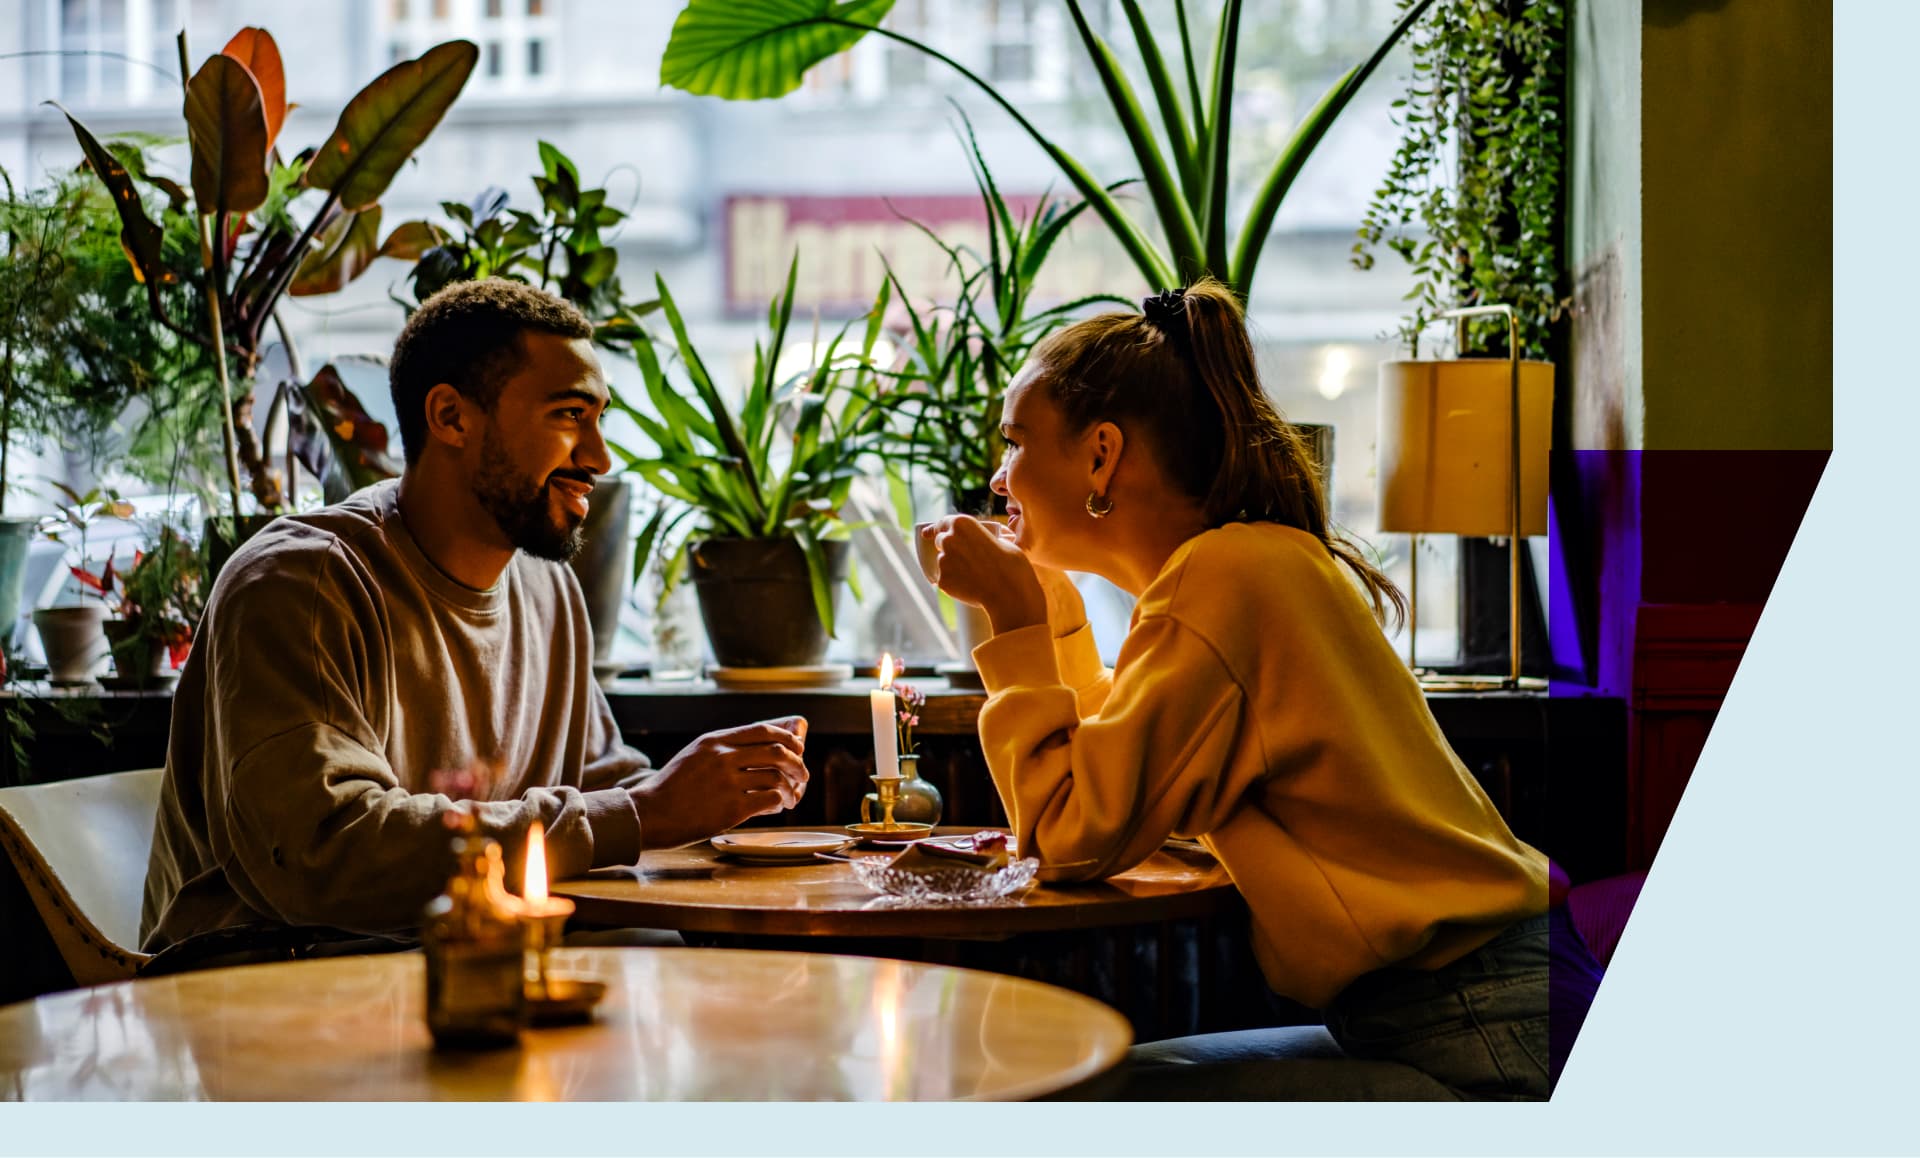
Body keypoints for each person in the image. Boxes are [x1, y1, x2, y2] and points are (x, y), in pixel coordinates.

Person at [921, 279, 1553, 1100]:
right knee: (1080, 1083)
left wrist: (1014, 615)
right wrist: (1055, 618)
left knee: (1065, 1095)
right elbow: (1122, 765)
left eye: (1014, 442)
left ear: (1101, 454)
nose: (1000, 480)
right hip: (1482, 1003)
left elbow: (1070, 838)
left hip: (1477, 1030)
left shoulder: (1223, 578)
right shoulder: (1247, 564)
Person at [142, 279, 809, 959]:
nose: (599, 459)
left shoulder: (548, 589)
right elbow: (325, 855)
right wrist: (645, 813)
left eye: (599, 418)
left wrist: (720, 808)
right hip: (261, 991)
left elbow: (603, 792)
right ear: (452, 418)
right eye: (568, 415)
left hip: (464, 959)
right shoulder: (300, 583)